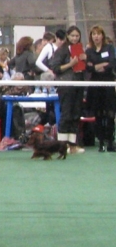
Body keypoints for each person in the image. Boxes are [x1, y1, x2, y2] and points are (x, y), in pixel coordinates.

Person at [48, 25, 86, 154]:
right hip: (65, 85)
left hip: (78, 84)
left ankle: (73, 145)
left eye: (77, 36)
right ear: (67, 36)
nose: (75, 38)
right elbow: (55, 67)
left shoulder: (81, 49)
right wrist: (70, 64)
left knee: (76, 114)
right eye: (72, 35)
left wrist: (86, 61)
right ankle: (62, 145)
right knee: (66, 114)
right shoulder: (62, 50)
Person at [85, 25, 116, 152]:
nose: (96, 36)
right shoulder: (89, 51)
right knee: (98, 114)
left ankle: (110, 141)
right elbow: (88, 68)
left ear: (102, 35)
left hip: (108, 84)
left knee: (109, 113)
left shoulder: (109, 48)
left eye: (98, 34)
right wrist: (101, 65)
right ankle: (101, 141)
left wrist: (97, 65)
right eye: (93, 34)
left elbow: (112, 63)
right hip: (95, 86)